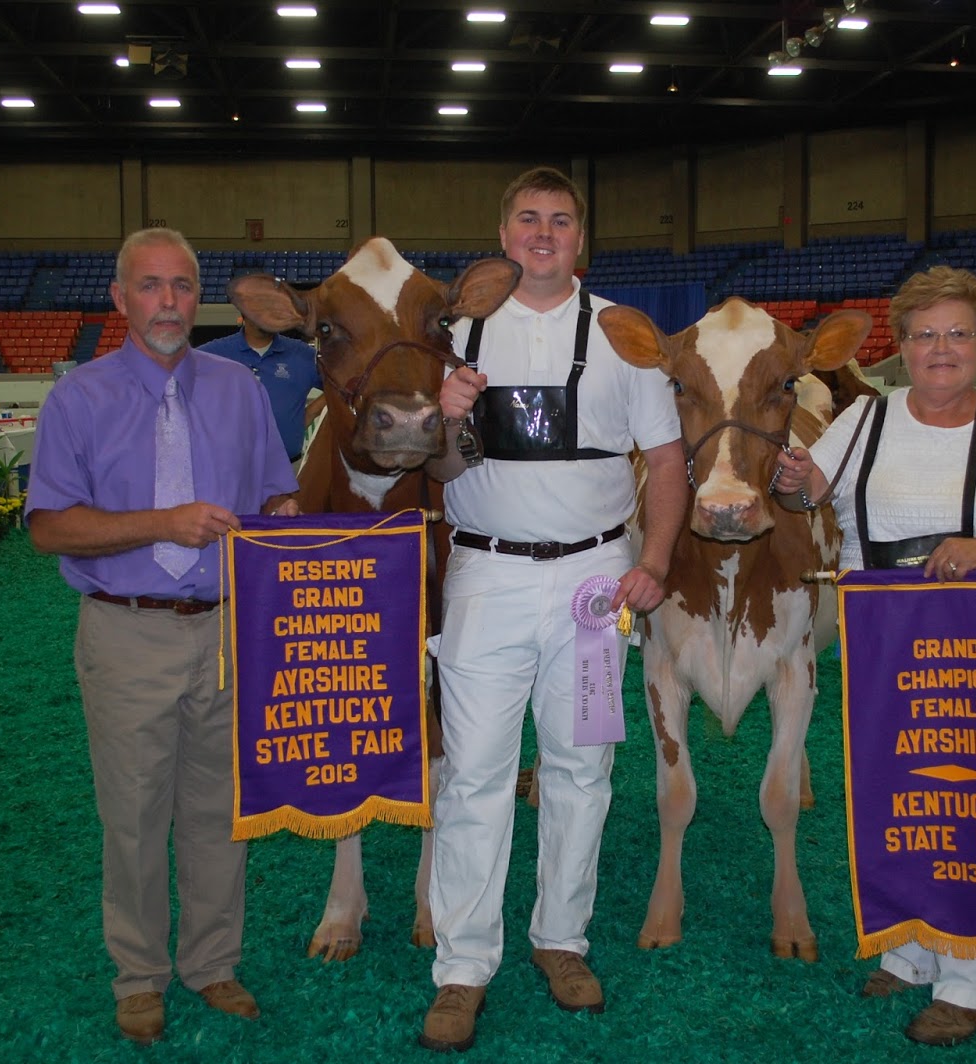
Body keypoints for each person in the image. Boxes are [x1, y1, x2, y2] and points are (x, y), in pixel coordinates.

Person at [771, 265, 976, 1047]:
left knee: (973, 798)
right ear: (901, 346)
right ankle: (914, 949)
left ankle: (973, 978)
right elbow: (813, 495)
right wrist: (794, 479)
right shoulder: (864, 422)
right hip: (886, 635)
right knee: (897, 794)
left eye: (957, 334)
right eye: (923, 335)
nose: (939, 350)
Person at [417, 166, 687, 1053]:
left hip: (593, 586)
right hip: (485, 579)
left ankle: (561, 941)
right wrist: (448, 417)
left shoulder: (626, 337)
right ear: (504, 232)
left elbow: (670, 464)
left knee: (580, 770)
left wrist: (652, 561)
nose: (543, 234)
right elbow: (437, 475)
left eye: (561, 221)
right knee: (475, 775)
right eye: (528, 219)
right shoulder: (457, 335)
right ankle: (462, 966)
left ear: (581, 238)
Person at [25, 228, 299, 1046]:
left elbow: (275, 495)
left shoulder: (239, 389)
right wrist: (163, 524)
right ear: (120, 300)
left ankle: (212, 961)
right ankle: (139, 975)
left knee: (220, 811)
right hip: (127, 630)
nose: (169, 303)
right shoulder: (78, 398)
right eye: (150, 287)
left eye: (181, 286)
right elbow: (49, 527)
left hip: (224, 630)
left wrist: (296, 524)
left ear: (197, 295)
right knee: (135, 815)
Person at [198, 316, 321, 467]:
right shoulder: (214, 353)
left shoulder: (303, 355)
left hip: (288, 470)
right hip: (228, 473)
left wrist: (311, 413)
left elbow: (343, 385)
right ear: (244, 311)